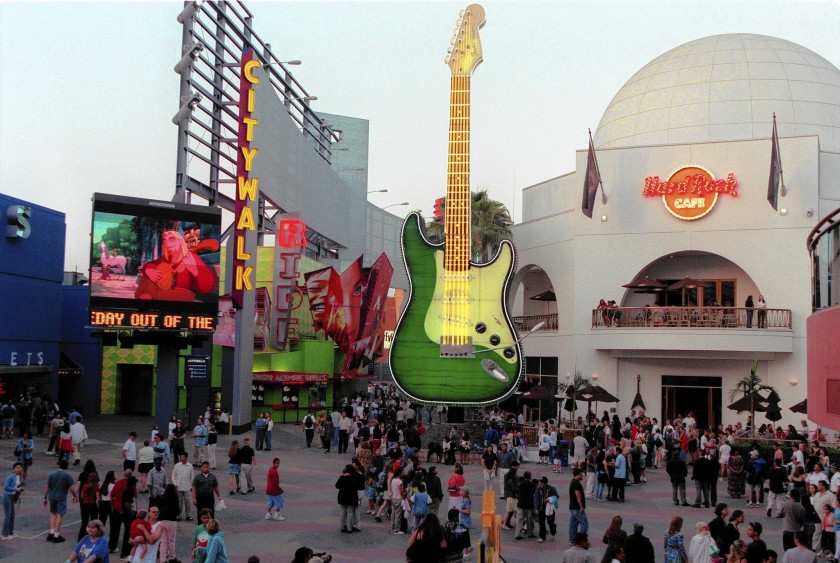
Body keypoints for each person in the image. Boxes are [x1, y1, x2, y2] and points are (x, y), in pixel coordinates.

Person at [135, 229, 216, 302]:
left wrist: (194, 270)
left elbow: (206, 288)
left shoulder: (192, 258)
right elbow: (150, 264)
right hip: (163, 290)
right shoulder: (167, 258)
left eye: (171, 239)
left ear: (180, 241)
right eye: (165, 240)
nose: (167, 243)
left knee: (184, 295)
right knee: (145, 279)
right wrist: (149, 270)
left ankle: (148, 297)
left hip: (183, 293)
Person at [45, 457, 78, 543]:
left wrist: (45, 497)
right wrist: (75, 495)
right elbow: (71, 488)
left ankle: (51, 533)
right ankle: (56, 535)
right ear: (66, 466)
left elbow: (47, 486)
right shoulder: (67, 475)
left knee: (53, 514)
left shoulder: (52, 474)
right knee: (60, 515)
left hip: (51, 496)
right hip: (61, 498)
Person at [2, 462, 24, 540]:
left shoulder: (19, 477)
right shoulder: (11, 476)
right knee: (8, 516)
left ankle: (10, 533)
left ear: (21, 469)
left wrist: (19, 491)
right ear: (13, 469)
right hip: (7, 497)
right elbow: (6, 487)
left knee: (12, 516)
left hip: (12, 497)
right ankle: (4, 535)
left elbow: (16, 486)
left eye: (19, 467)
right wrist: (16, 489)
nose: (18, 469)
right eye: (16, 467)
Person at [77, 471, 100, 541]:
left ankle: (80, 539)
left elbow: (82, 496)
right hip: (92, 505)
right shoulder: (96, 487)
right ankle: (94, 538)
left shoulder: (84, 486)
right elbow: (98, 498)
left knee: (84, 523)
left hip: (85, 505)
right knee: (94, 523)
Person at [535, 476, 558, 543]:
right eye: (540, 482)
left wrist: (551, 499)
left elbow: (557, 496)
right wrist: (536, 508)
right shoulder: (538, 489)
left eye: (542, 483)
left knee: (550, 522)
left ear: (546, 483)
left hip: (549, 508)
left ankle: (553, 533)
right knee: (541, 523)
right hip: (541, 508)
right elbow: (536, 498)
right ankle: (542, 537)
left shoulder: (552, 489)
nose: (540, 484)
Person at [336, 464, 359, 534]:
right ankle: (349, 528)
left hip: (342, 496)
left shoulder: (342, 477)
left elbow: (337, 486)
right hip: (352, 497)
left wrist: (342, 476)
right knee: (350, 512)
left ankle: (342, 527)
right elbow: (359, 485)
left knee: (342, 511)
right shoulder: (354, 477)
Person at [172, 452, 195, 521]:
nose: (181, 459)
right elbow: (173, 476)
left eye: (182, 457)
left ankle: (188, 515)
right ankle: (178, 515)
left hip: (187, 487)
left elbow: (192, 477)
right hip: (178, 487)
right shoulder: (177, 465)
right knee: (179, 502)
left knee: (188, 502)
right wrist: (175, 484)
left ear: (186, 458)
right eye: (180, 457)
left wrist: (191, 486)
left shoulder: (190, 466)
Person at [569, 468, 589, 543]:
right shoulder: (577, 483)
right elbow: (578, 495)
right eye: (581, 474)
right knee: (584, 523)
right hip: (577, 508)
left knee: (573, 524)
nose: (582, 476)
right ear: (577, 474)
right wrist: (581, 506)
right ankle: (581, 540)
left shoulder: (573, 482)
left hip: (572, 507)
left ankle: (572, 540)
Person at [515, 470, 536, 540]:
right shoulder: (532, 485)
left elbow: (517, 493)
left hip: (520, 504)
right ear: (530, 477)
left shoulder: (520, 484)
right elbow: (533, 495)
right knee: (529, 520)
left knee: (520, 520)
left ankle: (517, 534)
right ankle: (530, 533)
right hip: (529, 505)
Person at [265, 457, 285, 521]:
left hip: (270, 489)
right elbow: (275, 483)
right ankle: (276, 514)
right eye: (276, 463)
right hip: (274, 490)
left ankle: (268, 514)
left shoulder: (271, 469)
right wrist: (280, 489)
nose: (278, 465)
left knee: (270, 501)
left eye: (278, 463)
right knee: (280, 500)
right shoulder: (274, 471)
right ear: (273, 463)